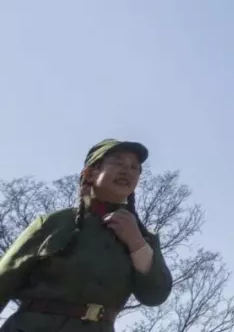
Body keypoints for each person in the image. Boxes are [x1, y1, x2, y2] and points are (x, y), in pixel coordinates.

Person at [0, 138, 173, 331]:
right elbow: (4, 280)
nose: (128, 171)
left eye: (135, 168)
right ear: (90, 173)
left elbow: (155, 295)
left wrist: (136, 243)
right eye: (118, 163)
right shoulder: (54, 223)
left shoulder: (144, 238)